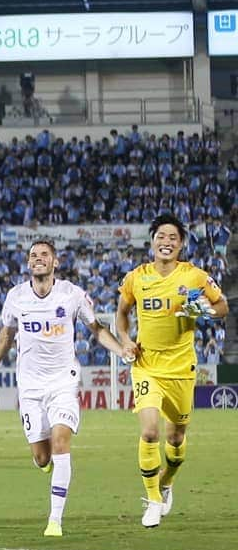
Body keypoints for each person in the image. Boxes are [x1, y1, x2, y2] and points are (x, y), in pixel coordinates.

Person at [0, 240, 126, 537]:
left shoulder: (72, 295)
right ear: (28, 263)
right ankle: (46, 464)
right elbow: (8, 333)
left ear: (55, 262)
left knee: (61, 442)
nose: (38, 259)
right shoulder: (16, 297)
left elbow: (96, 328)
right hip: (31, 387)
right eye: (33, 255)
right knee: (42, 457)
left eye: (44, 255)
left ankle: (55, 520)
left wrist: (121, 350)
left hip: (63, 381)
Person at [115, 213, 227, 528]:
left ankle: (167, 481)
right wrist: (125, 341)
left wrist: (201, 309)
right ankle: (153, 500)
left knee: (175, 439)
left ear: (180, 245)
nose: (166, 242)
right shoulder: (136, 277)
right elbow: (122, 314)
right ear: (152, 241)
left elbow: (223, 307)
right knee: (150, 431)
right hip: (147, 366)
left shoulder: (195, 276)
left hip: (181, 369)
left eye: (173, 238)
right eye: (161, 237)